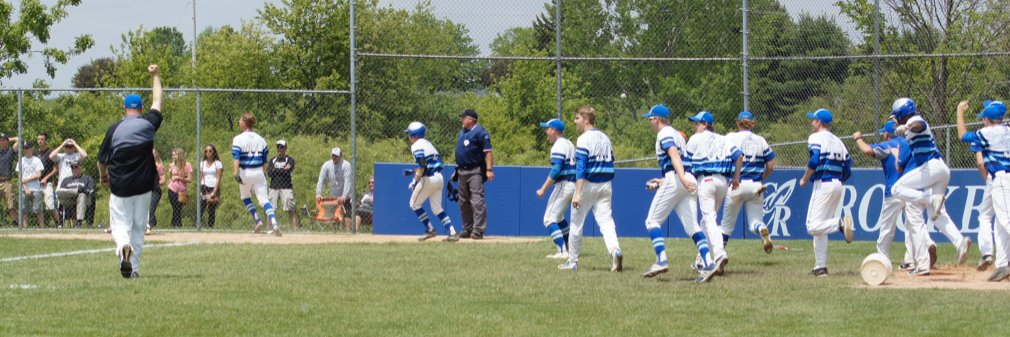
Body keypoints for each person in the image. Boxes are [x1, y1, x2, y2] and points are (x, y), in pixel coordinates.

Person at [890, 97, 972, 272]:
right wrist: (901, 126)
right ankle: (960, 243)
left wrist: (907, 126)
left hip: (931, 167)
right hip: (940, 169)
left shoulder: (914, 120)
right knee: (937, 215)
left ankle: (929, 199)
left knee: (896, 189)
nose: (896, 119)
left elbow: (917, 124)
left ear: (903, 114)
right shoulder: (909, 121)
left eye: (897, 116)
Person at [97, 64, 162, 279]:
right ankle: (133, 271)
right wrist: (156, 76)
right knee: (138, 228)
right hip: (144, 185)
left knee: (119, 225)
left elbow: (102, 159)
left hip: (121, 186)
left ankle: (123, 247)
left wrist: (103, 176)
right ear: (142, 107)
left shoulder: (114, 129)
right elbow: (158, 101)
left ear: (123, 109)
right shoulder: (148, 124)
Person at [638, 105, 715, 281]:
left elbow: (674, 156)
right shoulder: (677, 135)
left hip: (679, 178)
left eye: (650, 118)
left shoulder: (664, 133)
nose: (649, 121)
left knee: (652, 221)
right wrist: (664, 180)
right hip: (686, 178)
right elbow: (680, 160)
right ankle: (709, 264)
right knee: (693, 227)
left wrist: (679, 177)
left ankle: (661, 260)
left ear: (657, 118)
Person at [853, 121, 935, 274]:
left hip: (894, 191)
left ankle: (882, 261)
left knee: (886, 231)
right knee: (913, 226)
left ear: (888, 134)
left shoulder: (887, 145)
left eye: (884, 132)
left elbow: (866, 150)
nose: (883, 134)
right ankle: (915, 256)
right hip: (911, 189)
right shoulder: (910, 143)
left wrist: (858, 138)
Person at [558, 105, 623, 272]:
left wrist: (577, 193)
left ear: (586, 119)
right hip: (606, 185)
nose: (575, 122)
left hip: (589, 184)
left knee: (576, 223)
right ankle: (615, 251)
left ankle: (572, 261)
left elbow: (581, 167)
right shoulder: (605, 137)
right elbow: (612, 159)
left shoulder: (583, 139)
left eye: (577, 118)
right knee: (606, 222)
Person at [956, 100, 1010, 281]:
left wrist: (960, 112)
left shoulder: (987, 132)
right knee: (1000, 224)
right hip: (1002, 178)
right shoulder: (1007, 129)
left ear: (987, 119)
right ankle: (1003, 265)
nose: (982, 121)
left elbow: (962, 135)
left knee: (1007, 221)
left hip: (1002, 178)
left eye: (984, 118)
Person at [685, 110, 741, 280]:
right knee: (707, 221)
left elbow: (685, 161)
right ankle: (702, 259)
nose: (695, 126)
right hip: (723, 182)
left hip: (706, 180)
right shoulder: (724, 139)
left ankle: (719, 254)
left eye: (697, 123)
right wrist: (736, 177)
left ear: (705, 124)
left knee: (709, 219)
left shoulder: (695, 139)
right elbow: (739, 157)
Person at [799, 108, 855, 277]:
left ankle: (839, 224)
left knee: (812, 226)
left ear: (820, 122)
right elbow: (848, 168)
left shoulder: (815, 137)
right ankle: (820, 267)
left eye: (814, 119)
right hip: (838, 183)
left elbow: (814, 159)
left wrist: (805, 178)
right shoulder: (839, 141)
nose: (812, 122)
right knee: (820, 228)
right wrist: (839, 181)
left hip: (823, 183)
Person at [718, 112, 776, 254]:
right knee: (754, 222)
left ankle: (719, 255)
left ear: (738, 123)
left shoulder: (730, 137)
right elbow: (771, 164)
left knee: (726, 226)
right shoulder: (761, 140)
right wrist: (761, 179)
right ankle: (761, 228)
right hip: (756, 186)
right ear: (753, 123)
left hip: (737, 184)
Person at [404, 122, 459, 242]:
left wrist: (414, 181)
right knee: (437, 208)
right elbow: (430, 164)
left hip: (428, 179)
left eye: (409, 134)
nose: (408, 136)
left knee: (414, 204)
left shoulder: (416, 145)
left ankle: (430, 229)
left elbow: (422, 165)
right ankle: (453, 232)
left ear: (414, 134)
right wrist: (414, 171)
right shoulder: (428, 144)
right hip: (439, 178)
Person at [232, 111, 281, 236]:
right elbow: (265, 161)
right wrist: (264, 173)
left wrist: (236, 173)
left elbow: (236, 157)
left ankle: (257, 220)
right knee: (264, 200)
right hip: (259, 172)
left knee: (245, 197)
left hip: (245, 172)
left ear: (244, 123)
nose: (239, 122)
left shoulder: (238, 139)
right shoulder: (261, 139)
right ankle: (274, 223)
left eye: (240, 120)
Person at [534, 118, 575, 259]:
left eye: (548, 128)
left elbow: (556, 169)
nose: (546, 131)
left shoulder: (558, 145)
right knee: (558, 217)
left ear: (554, 130)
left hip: (563, 184)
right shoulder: (569, 143)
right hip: (572, 184)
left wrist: (543, 189)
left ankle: (562, 251)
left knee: (549, 219)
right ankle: (569, 249)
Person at [453, 109, 494, 239]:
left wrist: (489, 170)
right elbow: (461, 153)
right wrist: (456, 170)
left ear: (470, 119)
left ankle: (478, 230)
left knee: (477, 200)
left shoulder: (481, 132)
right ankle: (467, 228)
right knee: (463, 201)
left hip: (475, 170)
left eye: (463, 118)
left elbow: (488, 152)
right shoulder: (461, 133)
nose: (462, 120)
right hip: (461, 171)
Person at [50, 137, 88, 228]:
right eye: (67, 147)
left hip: (75, 184)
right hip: (63, 184)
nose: (68, 148)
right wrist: (62, 144)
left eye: (70, 147)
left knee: (75, 203)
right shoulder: (61, 156)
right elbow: (51, 156)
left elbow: (85, 155)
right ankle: (60, 223)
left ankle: (77, 224)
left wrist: (74, 143)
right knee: (61, 203)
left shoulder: (77, 156)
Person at [315, 146, 352, 227]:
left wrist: (344, 196)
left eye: (336, 156)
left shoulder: (346, 165)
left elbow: (348, 181)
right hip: (334, 196)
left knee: (347, 213)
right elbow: (321, 179)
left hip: (346, 195)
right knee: (335, 216)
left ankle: (348, 233)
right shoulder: (327, 165)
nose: (334, 158)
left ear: (341, 156)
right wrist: (318, 193)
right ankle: (336, 232)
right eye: (333, 156)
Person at [268, 140, 299, 229]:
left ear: (285, 148)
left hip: (286, 187)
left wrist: (276, 170)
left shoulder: (290, 159)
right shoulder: (272, 160)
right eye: (278, 147)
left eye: (281, 147)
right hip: (273, 187)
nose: (279, 149)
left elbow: (288, 171)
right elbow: (270, 173)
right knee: (270, 210)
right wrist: (283, 170)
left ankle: (295, 229)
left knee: (291, 209)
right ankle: (270, 229)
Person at [55, 159, 95, 228]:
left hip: (83, 200)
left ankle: (79, 223)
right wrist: (77, 190)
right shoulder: (66, 180)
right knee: (58, 191)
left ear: (81, 167)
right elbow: (62, 192)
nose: (74, 169)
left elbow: (90, 191)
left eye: (76, 167)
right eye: (72, 167)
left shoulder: (87, 178)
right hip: (69, 200)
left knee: (82, 195)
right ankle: (77, 191)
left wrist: (81, 192)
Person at [16, 142, 46, 227]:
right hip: (24, 189)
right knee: (23, 209)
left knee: (38, 209)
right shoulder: (21, 160)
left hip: (36, 188)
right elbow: (20, 177)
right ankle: (25, 228)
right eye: (25, 148)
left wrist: (27, 179)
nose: (27, 150)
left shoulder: (37, 160)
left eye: (28, 148)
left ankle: (42, 227)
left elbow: (38, 175)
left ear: (32, 148)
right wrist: (25, 188)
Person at [36, 132, 58, 227]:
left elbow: (56, 169)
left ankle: (59, 224)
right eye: (38, 139)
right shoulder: (35, 153)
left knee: (50, 206)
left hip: (47, 183)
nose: (40, 141)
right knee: (38, 207)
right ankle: (42, 227)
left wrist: (45, 178)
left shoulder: (50, 152)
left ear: (46, 141)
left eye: (42, 139)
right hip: (36, 184)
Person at [167, 148, 192, 228]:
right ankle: (178, 224)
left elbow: (189, 179)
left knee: (178, 208)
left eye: (174, 154)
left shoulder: (187, 165)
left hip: (182, 191)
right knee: (176, 207)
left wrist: (179, 178)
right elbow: (171, 177)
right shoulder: (171, 165)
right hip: (172, 189)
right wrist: (172, 181)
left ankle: (174, 224)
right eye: (172, 155)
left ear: (179, 155)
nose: (173, 156)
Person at [199, 144, 223, 228]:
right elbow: (201, 177)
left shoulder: (218, 164)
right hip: (204, 186)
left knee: (211, 209)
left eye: (210, 151)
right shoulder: (202, 163)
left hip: (213, 187)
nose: (208, 153)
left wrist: (214, 192)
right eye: (206, 151)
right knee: (201, 207)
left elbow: (218, 178)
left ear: (213, 152)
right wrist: (200, 190)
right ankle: (197, 225)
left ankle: (210, 226)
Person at [0, 134, 20, 226]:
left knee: (11, 205)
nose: (2, 141)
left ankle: (17, 224)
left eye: (4, 140)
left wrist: (9, 139)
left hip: (6, 182)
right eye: (0, 140)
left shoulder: (10, 151)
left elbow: (19, 140)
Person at [145, 149, 166, 235]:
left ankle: (149, 225)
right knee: (146, 209)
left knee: (151, 208)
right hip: (146, 191)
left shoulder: (159, 167)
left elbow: (163, 180)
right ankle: (151, 223)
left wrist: (154, 183)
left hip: (155, 191)